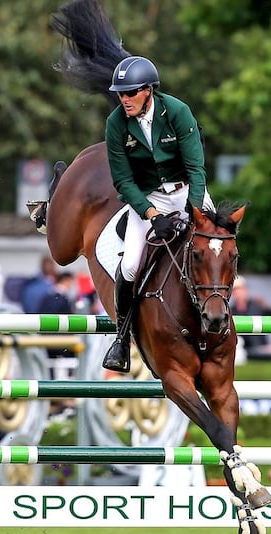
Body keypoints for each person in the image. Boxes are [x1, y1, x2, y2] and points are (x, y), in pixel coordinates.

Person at [102, 55, 214, 373]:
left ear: (149, 90)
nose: (124, 99)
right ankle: (121, 339)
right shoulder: (115, 124)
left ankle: (220, 321)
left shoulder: (177, 112)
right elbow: (123, 180)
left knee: (216, 245)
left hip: (187, 191)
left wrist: (194, 212)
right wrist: (152, 214)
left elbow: (196, 168)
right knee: (130, 265)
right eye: (120, 94)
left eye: (131, 92)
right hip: (150, 198)